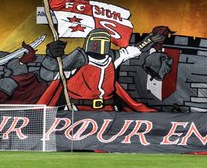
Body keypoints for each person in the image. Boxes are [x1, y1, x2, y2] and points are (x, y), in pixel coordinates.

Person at [36, 27, 170, 112]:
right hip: (77, 110)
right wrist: (50, 56)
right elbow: (49, 75)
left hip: (107, 110)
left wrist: (150, 39)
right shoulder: (76, 61)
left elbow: (133, 50)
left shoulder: (111, 58)